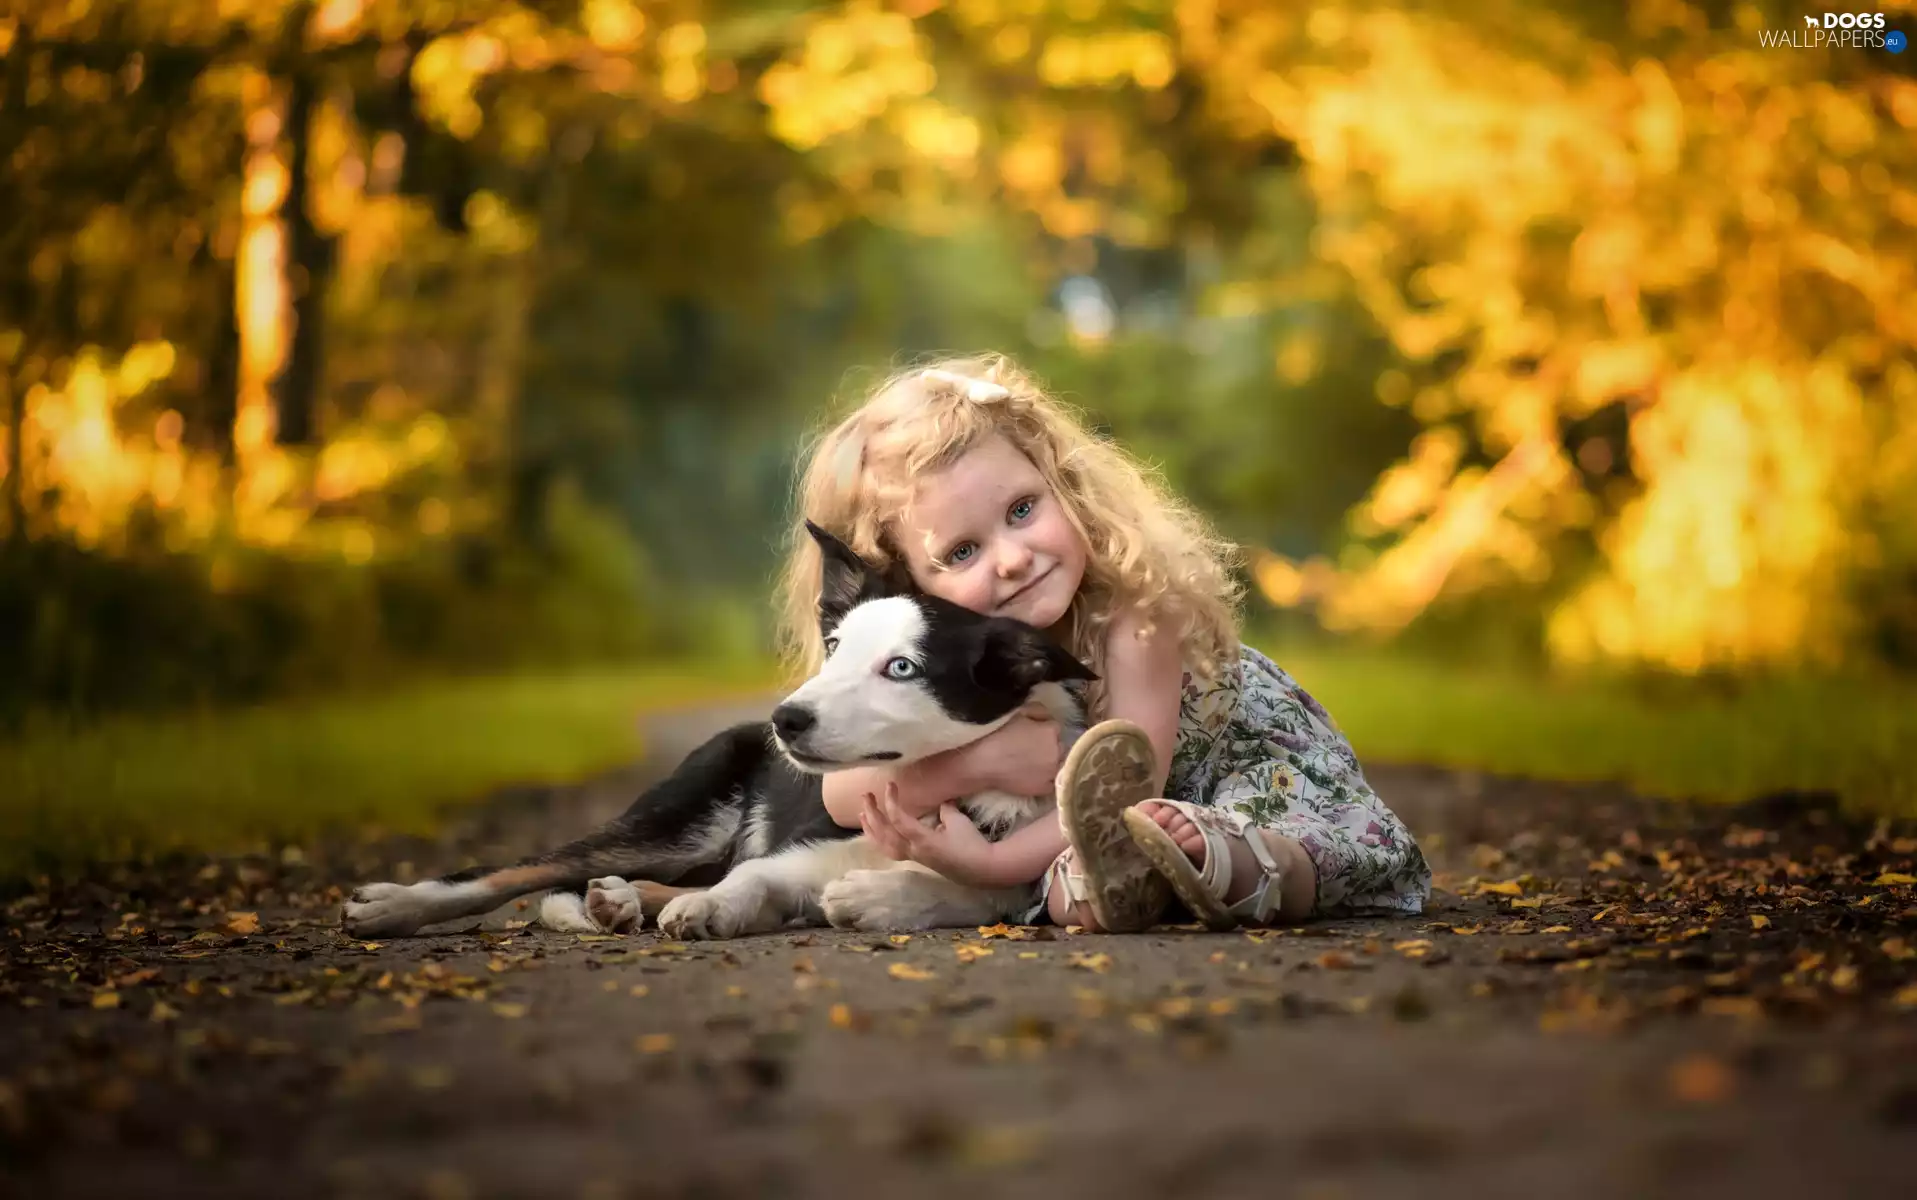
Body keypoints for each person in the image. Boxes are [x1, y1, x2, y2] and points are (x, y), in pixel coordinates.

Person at [772, 354, 1431, 931]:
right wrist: (979, 766)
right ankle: (1131, 885)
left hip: (1231, 783)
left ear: (1061, 482)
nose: (1011, 559)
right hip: (1084, 832)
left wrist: (993, 862)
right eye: (963, 550)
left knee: (1260, 843)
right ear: (907, 583)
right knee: (1069, 889)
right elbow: (841, 795)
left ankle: (1227, 863)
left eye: (1023, 510)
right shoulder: (939, 659)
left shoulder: (1136, 614)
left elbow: (1124, 790)